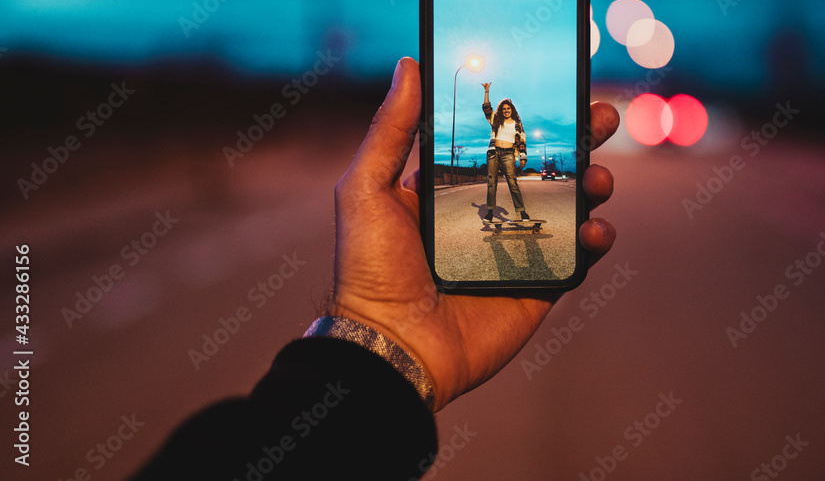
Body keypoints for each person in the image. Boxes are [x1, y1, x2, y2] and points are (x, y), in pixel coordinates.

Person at [130, 57, 619, 480]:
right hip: (495, 160)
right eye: (505, 110)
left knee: (515, 191)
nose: (507, 112)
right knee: (496, 190)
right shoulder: (498, 124)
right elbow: (491, 114)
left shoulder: (517, 131)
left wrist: (379, 349)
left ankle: (513, 210)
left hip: (508, 161)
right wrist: (387, 334)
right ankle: (498, 209)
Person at [481, 83, 531, 225]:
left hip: (509, 153)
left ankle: (522, 211)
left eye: (508, 108)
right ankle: (490, 212)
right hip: (493, 153)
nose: (506, 111)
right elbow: (486, 109)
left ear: (512, 109)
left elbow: (522, 140)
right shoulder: (496, 120)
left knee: (512, 182)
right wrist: (486, 91)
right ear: (501, 110)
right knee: (491, 183)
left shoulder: (517, 123)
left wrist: (523, 156)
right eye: (503, 109)